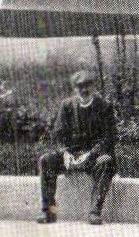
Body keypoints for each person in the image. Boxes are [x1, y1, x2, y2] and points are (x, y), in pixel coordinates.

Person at [37, 69, 117, 226]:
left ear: (93, 87)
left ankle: (95, 212)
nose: (84, 90)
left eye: (87, 86)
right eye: (80, 87)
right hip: (72, 155)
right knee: (46, 160)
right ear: (75, 88)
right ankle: (49, 212)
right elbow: (59, 133)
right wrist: (66, 152)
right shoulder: (67, 106)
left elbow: (110, 137)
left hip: (94, 156)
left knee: (107, 162)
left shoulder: (104, 106)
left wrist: (93, 154)